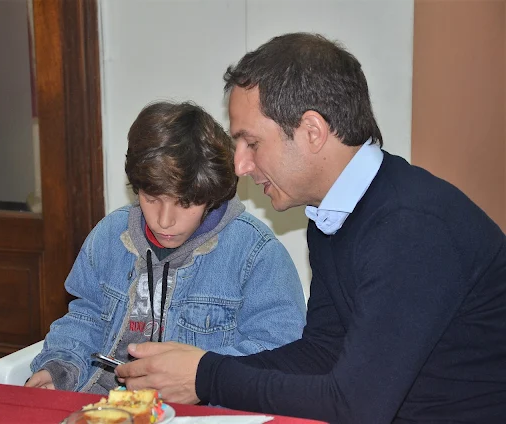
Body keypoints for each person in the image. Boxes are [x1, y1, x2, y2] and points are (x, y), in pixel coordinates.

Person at [115, 33, 506, 423]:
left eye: (251, 143)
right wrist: (201, 368)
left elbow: (357, 407)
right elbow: (321, 353)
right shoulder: (332, 218)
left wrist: (207, 377)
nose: (240, 166)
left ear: (312, 131)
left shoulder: (410, 226)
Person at [26, 100, 307, 394]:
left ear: (211, 196)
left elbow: (279, 352)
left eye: (185, 203)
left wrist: (202, 377)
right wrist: (60, 368)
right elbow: (85, 317)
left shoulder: (256, 253)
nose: (164, 221)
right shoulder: (110, 236)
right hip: (105, 404)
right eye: (152, 199)